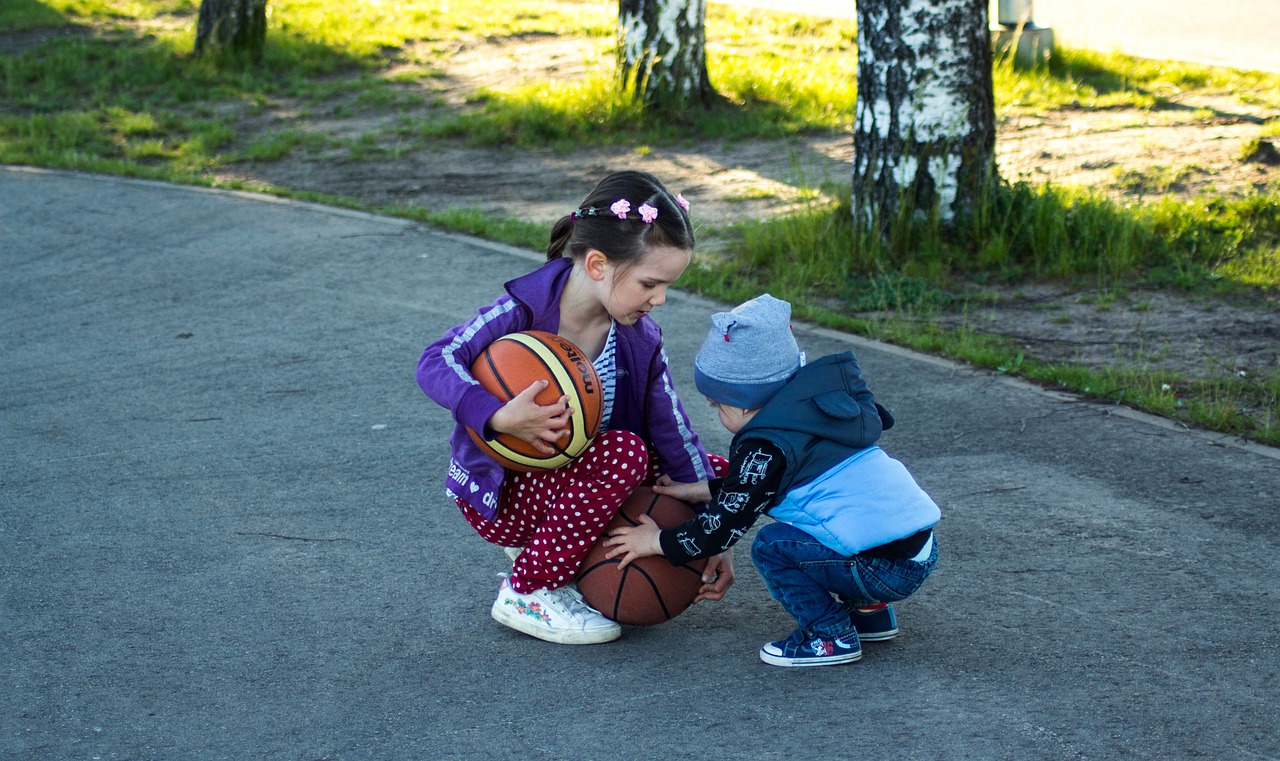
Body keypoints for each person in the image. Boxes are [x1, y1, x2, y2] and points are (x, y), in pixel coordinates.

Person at [416, 170, 731, 646]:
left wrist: (710, 532)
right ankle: (527, 589)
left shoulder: (640, 339)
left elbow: (675, 432)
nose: (660, 299)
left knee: (729, 473)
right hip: (504, 494)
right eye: (650, 283)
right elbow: (436, 359)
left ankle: (560, 549)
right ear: (599, 264)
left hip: (577, 475)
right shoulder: (523, 311)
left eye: (666, 286)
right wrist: (498, 415)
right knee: (625, 453)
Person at [605, 294, 940, 667]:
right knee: (835, 526)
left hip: (880, 568)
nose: (718, 415)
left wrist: (656, 541)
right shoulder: (812, 416)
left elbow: (722, 528)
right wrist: (694, 489)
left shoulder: (767, 447)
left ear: (746, 402)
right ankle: (870, 615)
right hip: (918, 551)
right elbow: (760, 490)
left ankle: (829, 636)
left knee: (772, 546)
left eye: (719, 405)